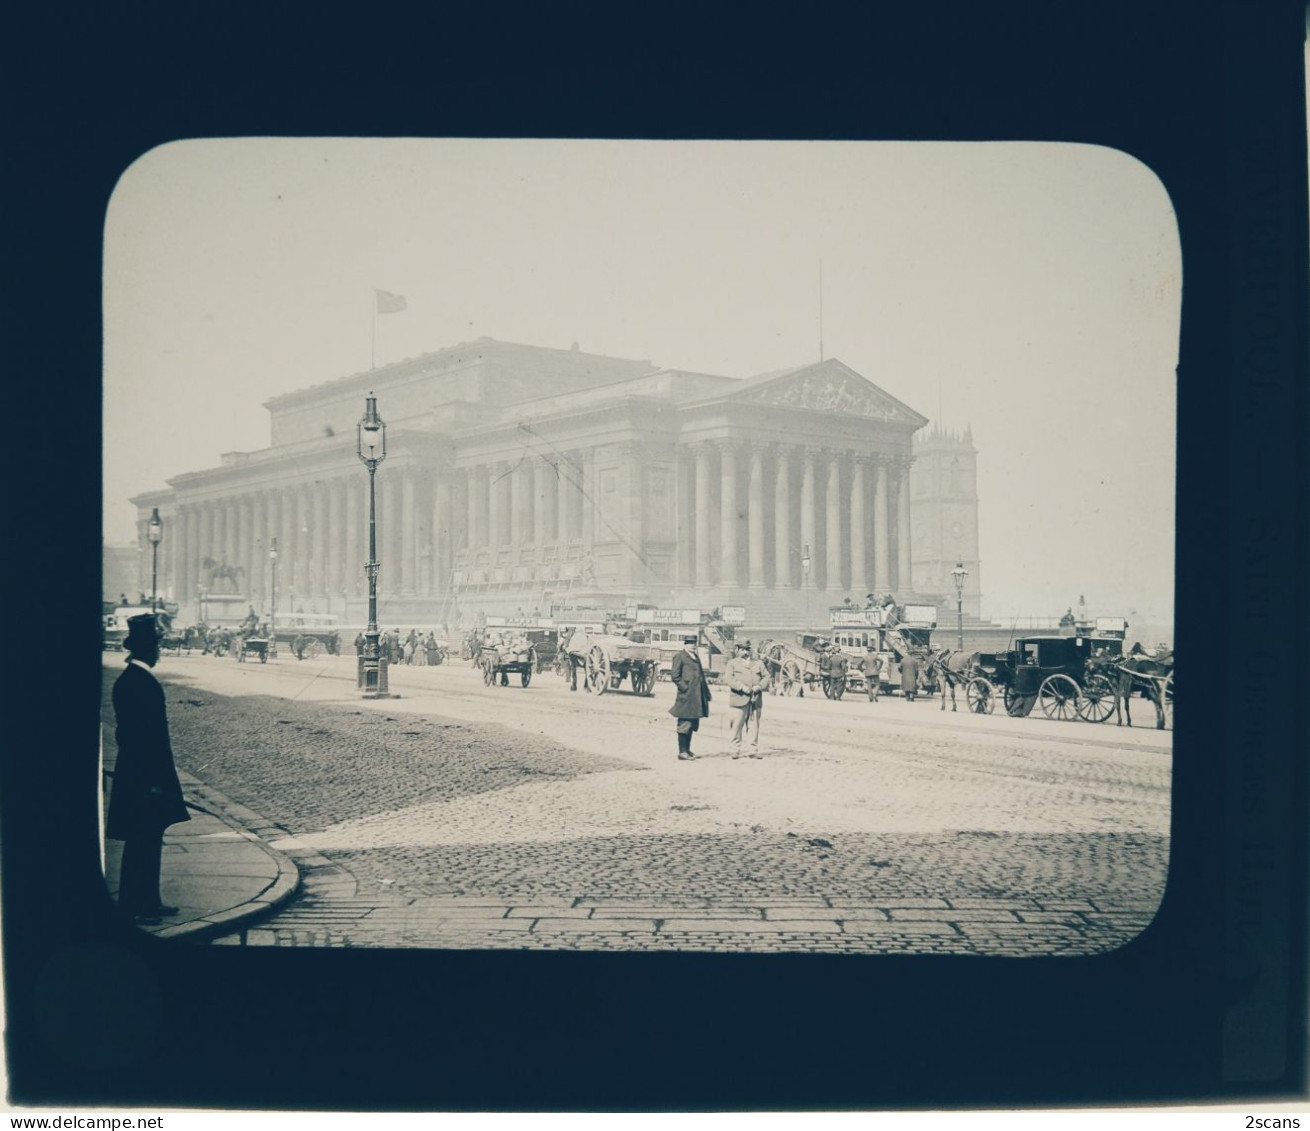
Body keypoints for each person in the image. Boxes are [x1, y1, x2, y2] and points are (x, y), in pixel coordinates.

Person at [106, 614, 191, 924]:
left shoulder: (134, 679)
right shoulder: (137, 682)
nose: (159, 651)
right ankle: (135, 906)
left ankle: (150, 901)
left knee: (150, 839)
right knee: (141, 842)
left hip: (143, 776)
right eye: (157, 646)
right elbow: (141, 738)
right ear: (146, 649)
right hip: (145, 779)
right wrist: (153, 781)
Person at [722, 640, 770, 758]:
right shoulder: (732, 663)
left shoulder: (758, 663)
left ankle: (752, 750)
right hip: (738, 699)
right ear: (737, 650)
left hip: (755, 700)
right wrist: (741, 687)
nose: (745, 652)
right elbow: (729, 679)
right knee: (736, 726)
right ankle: (735, 750)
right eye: (742, 649)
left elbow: (767, 677)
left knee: (753, 726)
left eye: (747, 649)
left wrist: (759, 686)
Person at [669, 634, 711, 761]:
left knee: (692, 723)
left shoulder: (696, 657)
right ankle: (682, 752)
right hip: (686, 696)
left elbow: (702, 676)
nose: (693, 645)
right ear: (685, 644)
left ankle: (687, 750)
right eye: (690, 643)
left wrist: (706, 693)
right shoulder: (680, 656)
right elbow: (675, 676)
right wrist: (684, 688)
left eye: (694, 643)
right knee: (684, 723)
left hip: (697, 696)